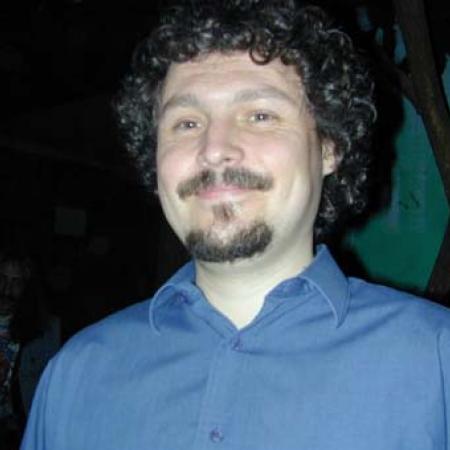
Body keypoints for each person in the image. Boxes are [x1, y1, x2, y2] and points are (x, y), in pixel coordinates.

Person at [21, 1, 450, 449]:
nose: (214, 149)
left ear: (328, 147)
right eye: (187, 123)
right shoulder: (77, 375)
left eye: (260, 116)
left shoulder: (436, 364)